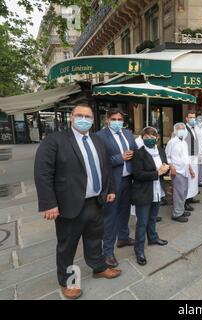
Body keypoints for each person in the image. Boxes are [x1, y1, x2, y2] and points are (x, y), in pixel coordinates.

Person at [34, 102, 121, 300]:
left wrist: (110, 189)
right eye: (80, 115)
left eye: (88, 117)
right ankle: (68, 281)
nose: (84, 119)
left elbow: (105, 168)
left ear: (93, 120)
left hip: (96, 202)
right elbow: (43, 173)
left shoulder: (97, 140)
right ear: (71, 118)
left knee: (94, 239)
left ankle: (98, 267)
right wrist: (49, 204)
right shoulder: (54, 141)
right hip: (69, 205)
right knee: (68, 245)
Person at [96, 108, 138, 268]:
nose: (117, 122)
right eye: (114, 119)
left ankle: (123, 237)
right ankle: (107, 251)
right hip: (112, 183)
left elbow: (135, 149)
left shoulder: (127, 133)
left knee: (124, 211)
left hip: (128, 180)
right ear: (107, 120)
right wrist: (119, 158)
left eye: (120, 119)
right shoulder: (100, 136)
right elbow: (100, 161)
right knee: (110, 216)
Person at [131, 127, 169, 266]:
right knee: (142, 222)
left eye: (153, 136)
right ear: (142, 138)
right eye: (146, 137)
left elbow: (164, 167)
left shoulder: (160, 150)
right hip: (143, 192)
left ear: (157, 137)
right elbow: (138, 174)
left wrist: (166, 169)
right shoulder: (139, 153)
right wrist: (157, 173)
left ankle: (153, 238)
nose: (150, 139)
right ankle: (139, 250)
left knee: (153, 217)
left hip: (157, 190)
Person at [165, 123, 195, 223]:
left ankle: (181, 210)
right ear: (175, 130)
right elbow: (167, 157)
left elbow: (186, 158)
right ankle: (177, 214)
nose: (182, 130)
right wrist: (171, 167)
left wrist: (190, 170)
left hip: (185, 171)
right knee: (178, 193)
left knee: (184, 192)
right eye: (179, 129)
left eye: (183, 128)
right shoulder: (172, 142)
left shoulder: (184, 142)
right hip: (177, 171)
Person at [184, 111, 200, 208]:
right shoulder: (184, 129)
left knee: (194, 178)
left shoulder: (193, 129)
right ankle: (185, 201)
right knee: (188, 178)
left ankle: (191, 196)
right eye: (190, 117)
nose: (193, 119)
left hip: (194, 156)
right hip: (188, 157)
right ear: (186, 118)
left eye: (194, 117)